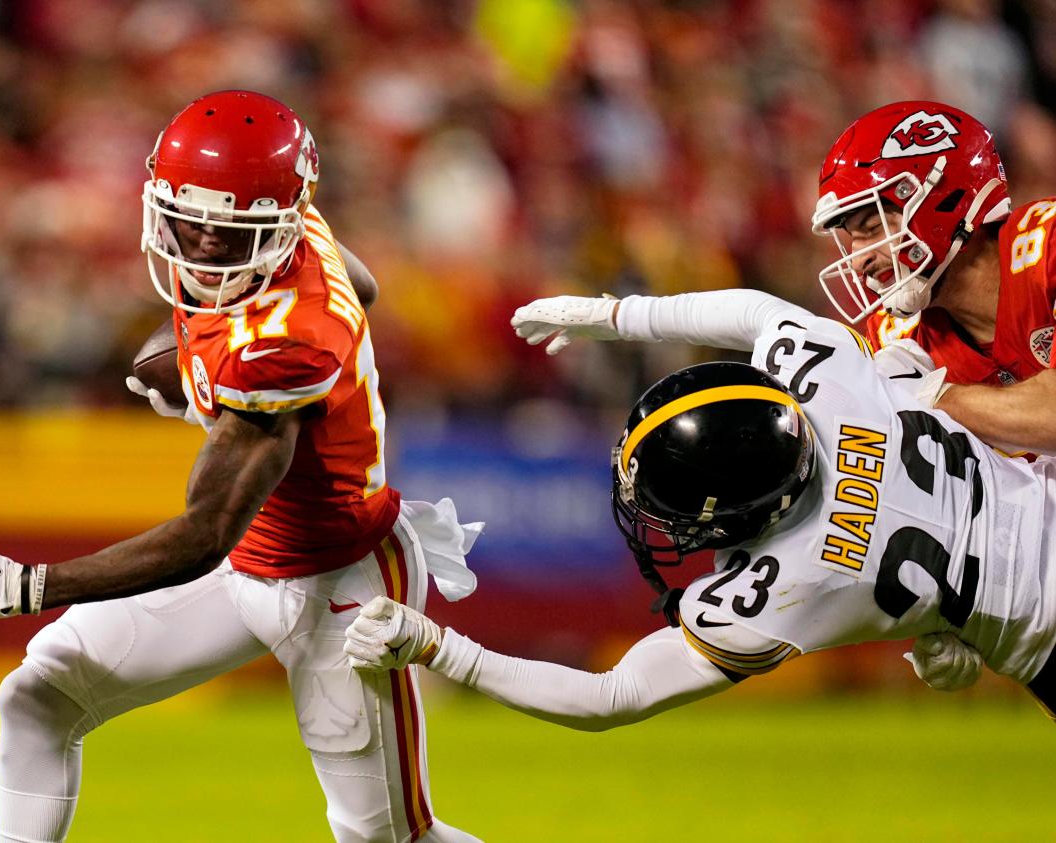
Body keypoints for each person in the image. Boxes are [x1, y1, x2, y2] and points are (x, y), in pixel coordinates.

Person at [0, 90, 482, 843]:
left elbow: (202, 532)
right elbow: (358, 286)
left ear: (273, 226)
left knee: (387, 837)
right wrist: (206, 367)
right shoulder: (295, 224)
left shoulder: (288, 342)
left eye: (229, 229)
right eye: (191, 218)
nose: (204, 242)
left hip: (339, 580)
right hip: (253, 561)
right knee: (40, 693)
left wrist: (28, 586)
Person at [341, 289, 1056, 738]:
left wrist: (438, 647)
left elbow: (608, 696)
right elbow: (757, 313)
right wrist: (620, 316)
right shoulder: (837, 378)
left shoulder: (790, 585)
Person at [811, 99, 1056, 456]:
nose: (858, 259)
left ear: (944, 199)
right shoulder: (897, 336)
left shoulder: (1048, 243)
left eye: (874, 226)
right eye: (853, 238)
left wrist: (937, 399)